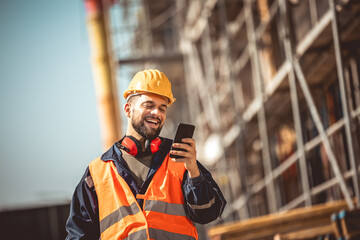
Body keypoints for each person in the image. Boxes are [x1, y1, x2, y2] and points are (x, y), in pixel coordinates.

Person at [65, 69, 226, 240]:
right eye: (149, 105)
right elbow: (78, 235)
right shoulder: (97, 174)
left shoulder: (180, 159)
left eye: (162, 108)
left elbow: (209, 214)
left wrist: (194, 172)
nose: (157, 113)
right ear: (128, 110)